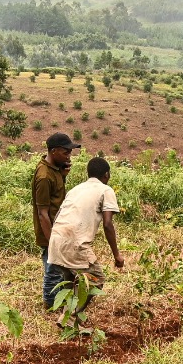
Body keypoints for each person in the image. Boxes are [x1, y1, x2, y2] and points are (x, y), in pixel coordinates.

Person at [46, 156, 125, 328]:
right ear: (107, 174)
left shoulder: (75, 189)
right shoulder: (106, 190)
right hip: (75, 242)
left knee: (72, 281)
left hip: (56, 238)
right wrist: (117, 255)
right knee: (96, 278)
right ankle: (70, 317)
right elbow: (108, 224)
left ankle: (71, 316)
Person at [33, 132, 79, 307]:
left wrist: (64, 175)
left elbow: (56, 196)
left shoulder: (55, 170)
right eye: (65, 152)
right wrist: (53, 240)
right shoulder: (44, 176)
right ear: (53, 151)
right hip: (50, 229)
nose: (69, 156)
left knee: (58, 267)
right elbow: (42, 212)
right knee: (52, 267)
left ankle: (59, 299)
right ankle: (50, 302)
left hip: (58, 227)